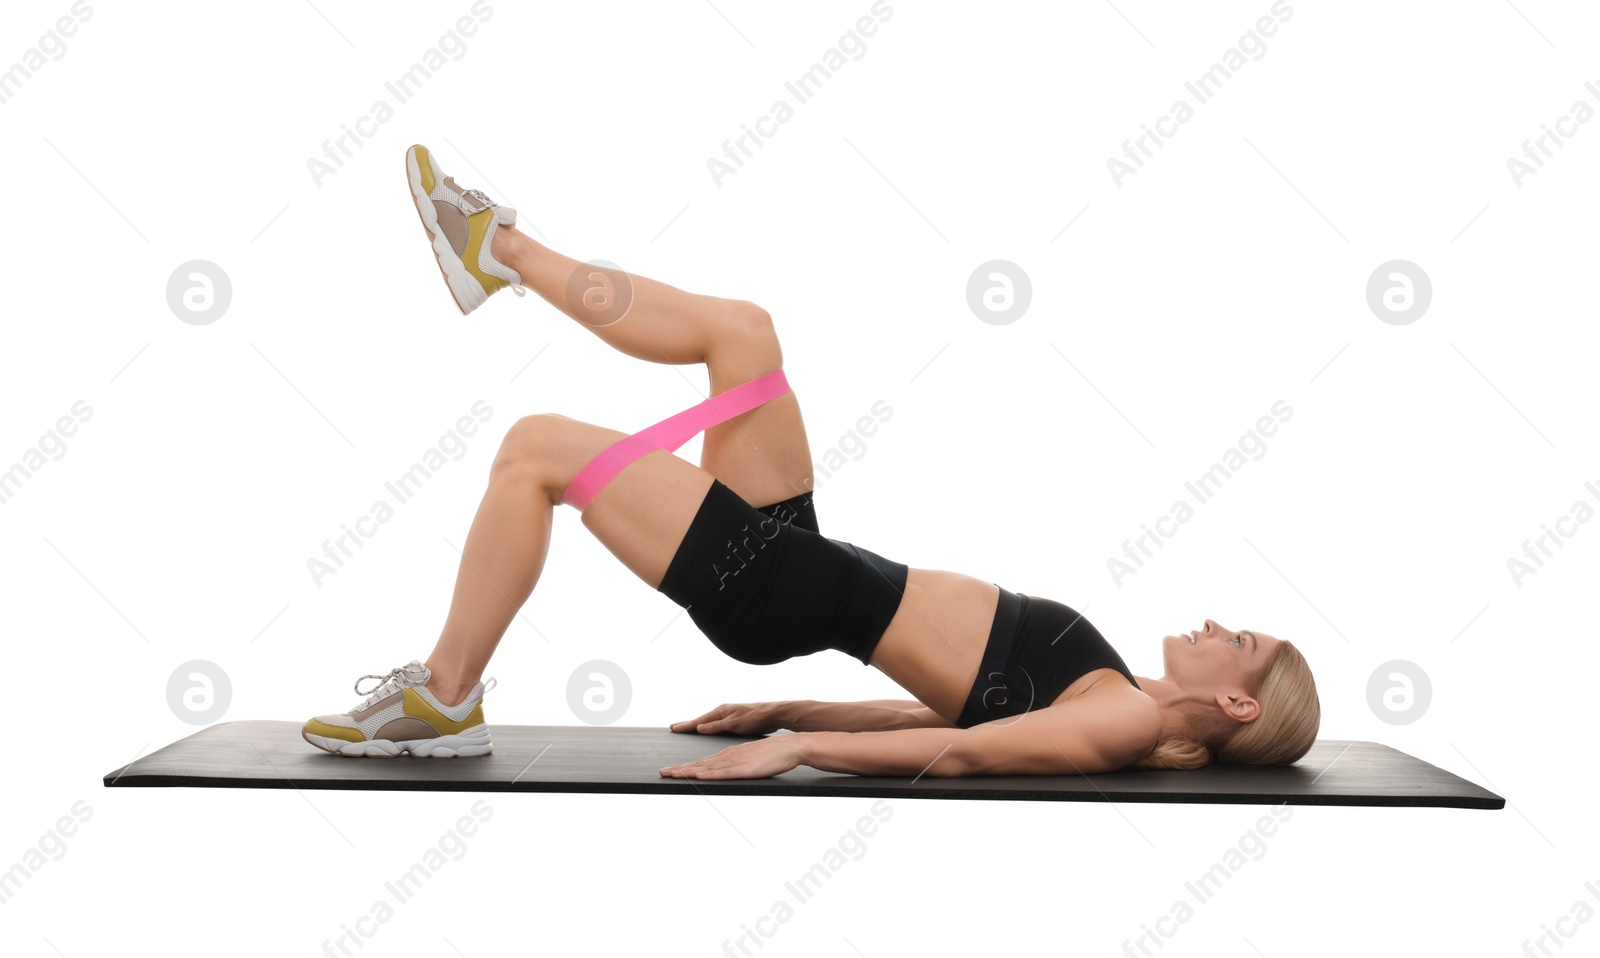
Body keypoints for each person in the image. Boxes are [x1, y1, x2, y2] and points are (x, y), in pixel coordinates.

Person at [299, 145, 1321, 779]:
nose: (1219, 624)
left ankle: (444, 695)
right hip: (799, 562)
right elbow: (940, 710)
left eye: (1241, 640)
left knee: (534, 452)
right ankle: (501, 254)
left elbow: (956, 754)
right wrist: (791, 707)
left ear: (1237, 702)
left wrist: (798, 749)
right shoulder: (1110, 695)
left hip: (772, 585)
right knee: (744, 334)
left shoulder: (1123, 724)